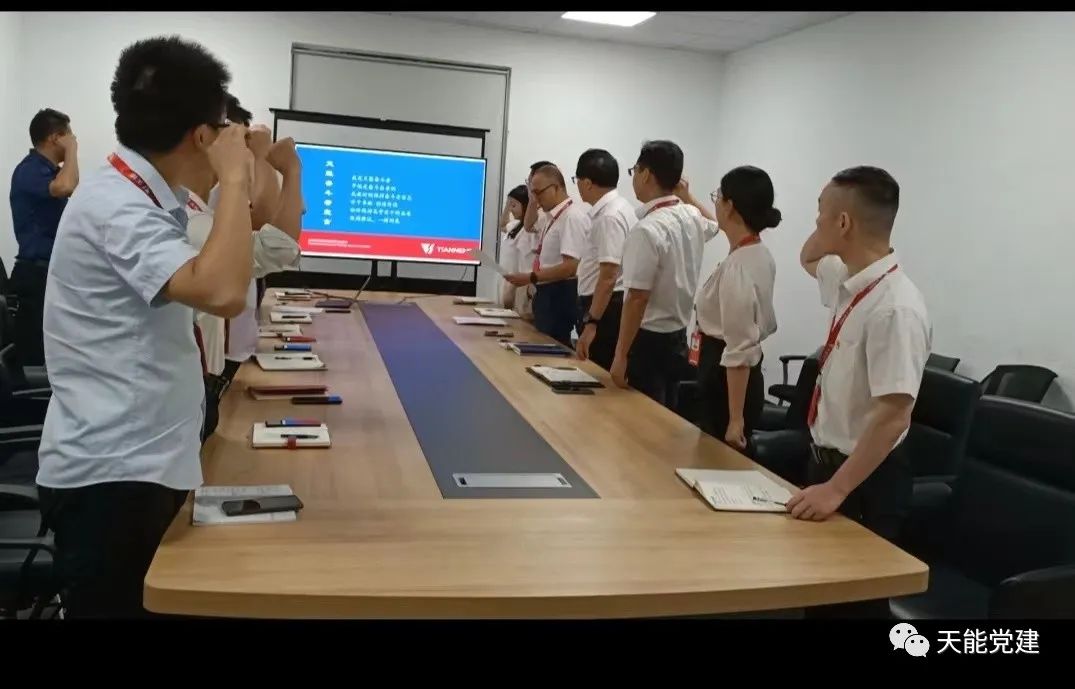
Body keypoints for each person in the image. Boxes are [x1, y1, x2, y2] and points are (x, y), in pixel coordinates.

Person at [36, 36, 253, 618]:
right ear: (202, 136)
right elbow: (223, 293)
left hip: (141, 461)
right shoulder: (118, 204)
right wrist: (235, 179)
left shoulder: (144, 193)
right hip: (113, 479)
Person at [790, 166, 931, 618]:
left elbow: (894, 415)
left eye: (820, 213)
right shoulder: (849, 281)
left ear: (844, 222)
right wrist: (828, 220)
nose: (815, 222)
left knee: (852, 609)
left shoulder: (895, 308)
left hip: (863, 481)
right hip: (827, 464)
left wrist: (836, 489)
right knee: (818, 599)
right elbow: (807, 258)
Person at [678, 166, 780, 450]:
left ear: (730, 206)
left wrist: (735, 420)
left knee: (718, 458)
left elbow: (739, 348)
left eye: (717, 196)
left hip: (727, 381)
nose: (714, 203)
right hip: (732, 372)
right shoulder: (755, 252)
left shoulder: (739, 267)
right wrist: (688, 198)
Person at [612, 141, 719, 407]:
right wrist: (687, 195)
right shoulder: (691, 215)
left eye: (634, 170)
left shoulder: (647, 229)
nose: (634, 177)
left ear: (646, 174)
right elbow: (715, 225)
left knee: (639, 414)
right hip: (677, 336)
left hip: (647, 340)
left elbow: (637, 298)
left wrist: (620, 355)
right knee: (666, 413)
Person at [8, 108, 80, 367]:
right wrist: (72, 150)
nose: (74, 139)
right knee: (38, 357)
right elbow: (67, 186)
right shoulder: (29, 169)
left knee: (56, 351)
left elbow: (70, 183)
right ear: (55, 137)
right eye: (69, 134)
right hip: (35, 276)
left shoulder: (50, 172)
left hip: (48, 273)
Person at [505, 164, 590, 346]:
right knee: (538, 344)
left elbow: (570, 267)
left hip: (559, 294)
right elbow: (528, 226)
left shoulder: (571, 217)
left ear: (556, 187)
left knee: (552, 348)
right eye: (532, 193)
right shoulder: (551, 217)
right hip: (545, 293)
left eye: (538, 193)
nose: (535, 199)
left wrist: (531, 277)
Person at [572, 148, 635, 371]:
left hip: (605, 309)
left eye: (576, 180)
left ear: (588, 183)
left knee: (596, 373)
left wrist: (592, 322)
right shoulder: (619, 208)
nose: (577, 186)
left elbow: (609, 275)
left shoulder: (609, 216)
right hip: (605, 304)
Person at [497, 184, 532, 314]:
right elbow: (502, 225)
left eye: (514, 205)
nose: (511, 210)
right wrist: (508, 203)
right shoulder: (515, 225)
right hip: (506, 282)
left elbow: (525, 265)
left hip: (516, 286)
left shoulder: (528, 231)